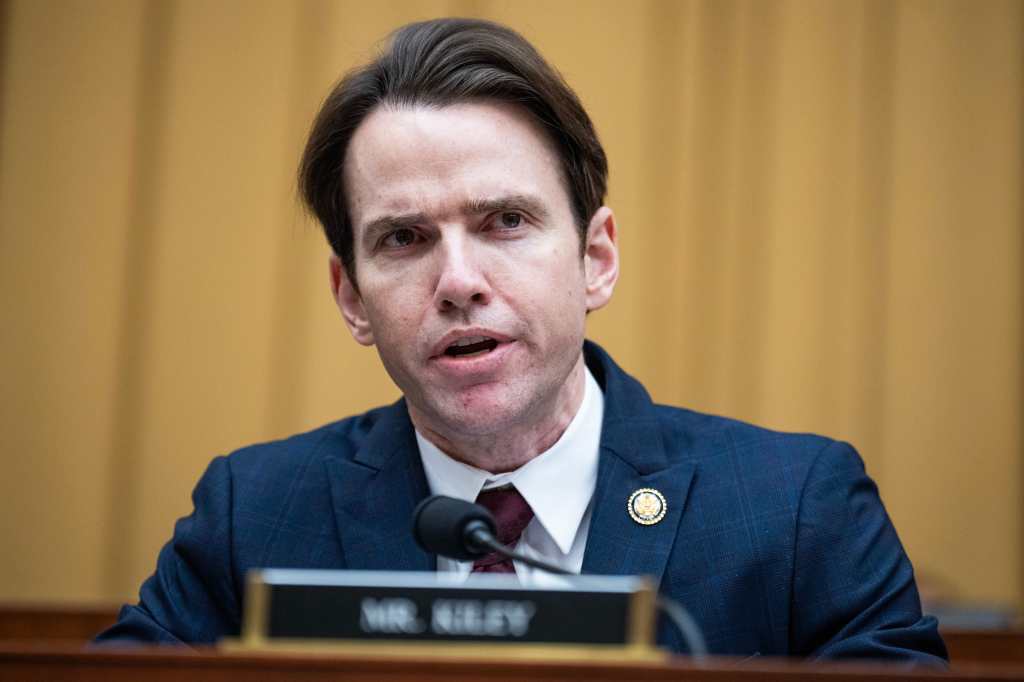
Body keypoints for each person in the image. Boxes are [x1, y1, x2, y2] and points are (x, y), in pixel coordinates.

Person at [96, 18, 947, 662]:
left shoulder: (796, 512)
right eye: (404, 239)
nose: (458, 280)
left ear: (595, 259)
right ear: (351, 297)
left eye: (505, 221)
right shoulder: (255, 517)